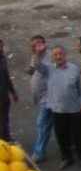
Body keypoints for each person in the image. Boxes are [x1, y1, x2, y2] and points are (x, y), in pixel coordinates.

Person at [33, 45, 81, 169]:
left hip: (74, 108)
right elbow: (37, 65)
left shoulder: (74, 69)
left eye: (60, 54)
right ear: (52, 57)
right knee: (61, 135)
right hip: (57, 109)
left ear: (65, 55)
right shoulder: (48, 69)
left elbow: (80, 87)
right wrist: (38, 53)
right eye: (55, 54)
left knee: (78, 134)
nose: (58, 56)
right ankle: (66, 158)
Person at [27, 35, 52, 163]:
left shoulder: (49, 56)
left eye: (35, 46)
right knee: (54, 123)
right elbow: (35, 67)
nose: (32, 49)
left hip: (47, 98)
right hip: (41, 96)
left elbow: (44, 69)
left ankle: (39, 153)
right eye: (31, 46)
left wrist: (37, 54)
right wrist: (31, 71)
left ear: (42, 44)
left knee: (42, 125)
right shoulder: (35, 55)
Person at [0, 39, 19, 142]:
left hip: (4, 95)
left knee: (4, 119)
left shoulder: (3, 59)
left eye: (2, 47)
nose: (1, 49)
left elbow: (6, 77)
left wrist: (13, 92)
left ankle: (6, 138)